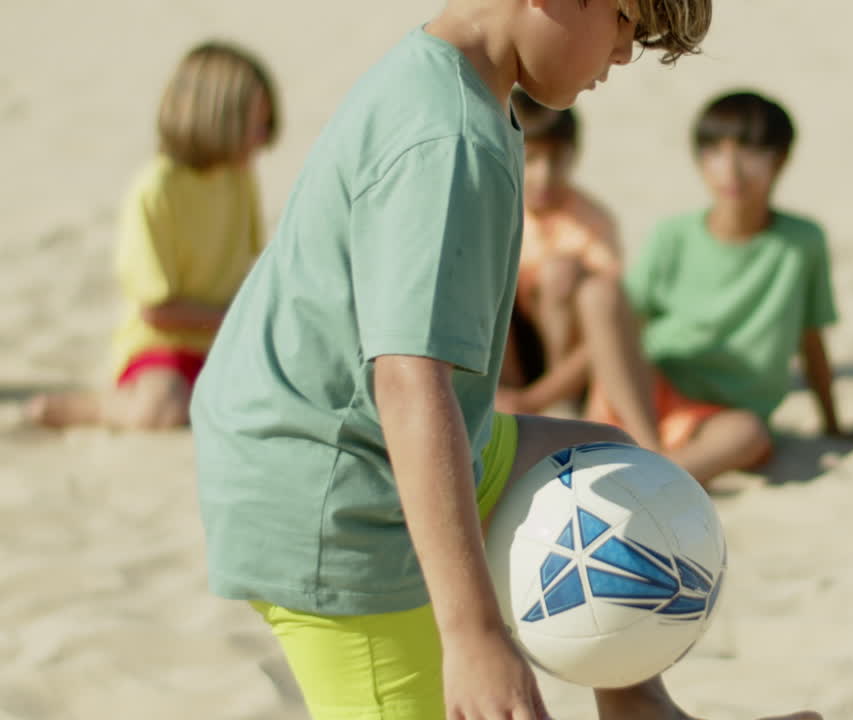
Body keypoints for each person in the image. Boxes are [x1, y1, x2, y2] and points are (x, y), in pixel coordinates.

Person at [190, 2, 819, 719]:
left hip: (359, 440)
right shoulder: (448, 137)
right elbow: (407, 381)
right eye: (622, 21)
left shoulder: (454, 79)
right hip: (329, 494)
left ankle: (638, 707)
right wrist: (474, 632)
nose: (623, 54)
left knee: (606, 458)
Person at [575, 90, 846, 486]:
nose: (731, 171)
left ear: (781, 160)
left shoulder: (802, 242)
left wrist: (833, 424)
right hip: (650, 396)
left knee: (748, 434)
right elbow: (615, 332)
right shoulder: (674, 235)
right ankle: (653, 457)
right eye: (715, 153)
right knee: (599, 293)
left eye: (750, 155)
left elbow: (812, 338)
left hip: (720, 418)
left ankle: (655, 480)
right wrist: (537, 397)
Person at [25, 41, 277, 430]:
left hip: (226, 341)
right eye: (256, 124)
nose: (263, 138)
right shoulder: (155, 189)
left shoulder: (238, 178)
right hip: (166, 349)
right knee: (162, 409)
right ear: (217, 117)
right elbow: (158, 311)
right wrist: (234, 318)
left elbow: (251, 262)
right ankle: (86, 409)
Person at [497, 89, 621, 416]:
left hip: (566, 362)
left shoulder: (592, 221)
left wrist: (537, 398)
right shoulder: (496, 207)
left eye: (557, 159)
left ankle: (556, 403)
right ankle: (500, 395)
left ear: (574, 154)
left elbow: (606, 331)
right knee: (486, 272)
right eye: (531, 158)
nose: (544, 175)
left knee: (560, 272)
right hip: (506, 352)